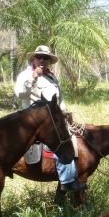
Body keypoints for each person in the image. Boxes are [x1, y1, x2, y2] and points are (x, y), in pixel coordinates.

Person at [14, 44, 79, 192]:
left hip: (53, 119)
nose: (43, 60)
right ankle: (68, 181)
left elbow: (58, 99)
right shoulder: (25, 75)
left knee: (72, 137)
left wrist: (65, 112)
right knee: (60, 141)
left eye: (46, 58)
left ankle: (67, 176)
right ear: (34, 59)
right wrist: (33, 79)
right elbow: (20, 95)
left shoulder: (51, 77)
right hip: (33, 120)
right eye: (40, 57)